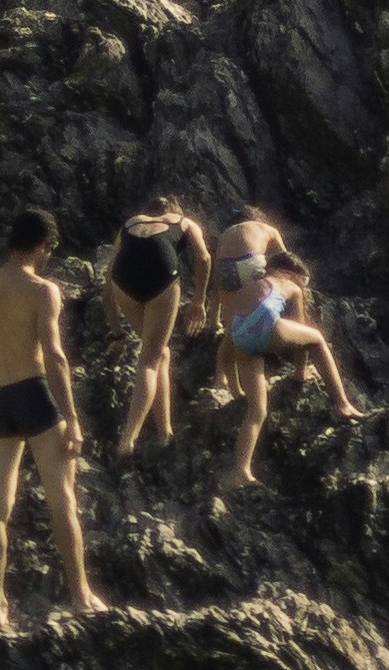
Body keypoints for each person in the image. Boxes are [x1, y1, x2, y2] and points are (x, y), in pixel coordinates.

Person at [0, 211, 105, 631]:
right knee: (63, 500)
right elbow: (55, 355)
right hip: (37, 395)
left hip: (1, 399)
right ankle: (80, 595)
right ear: (43, 247)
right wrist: (73, 418)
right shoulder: (43, 290)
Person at [207, 206, 360, 485]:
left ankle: (240, 470)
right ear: (290, 273)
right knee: (316, 339)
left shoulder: (248, 284)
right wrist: (301, 373)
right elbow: (299, 327)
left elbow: (224, 301)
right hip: (264, 324)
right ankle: (342, 404)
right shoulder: (289, 285)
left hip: (239, 331)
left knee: (257, 411)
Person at [103, 203, 211, 453]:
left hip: (123, 282)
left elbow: (108, 282)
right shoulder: (182, 221)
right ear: (173, 209)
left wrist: (116, 331)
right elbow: (203, 258)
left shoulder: (130, 225)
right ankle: (128, 439)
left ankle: (165, 432)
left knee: (160, 352)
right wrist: (198, 301)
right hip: (161, 278)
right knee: (149, 360)